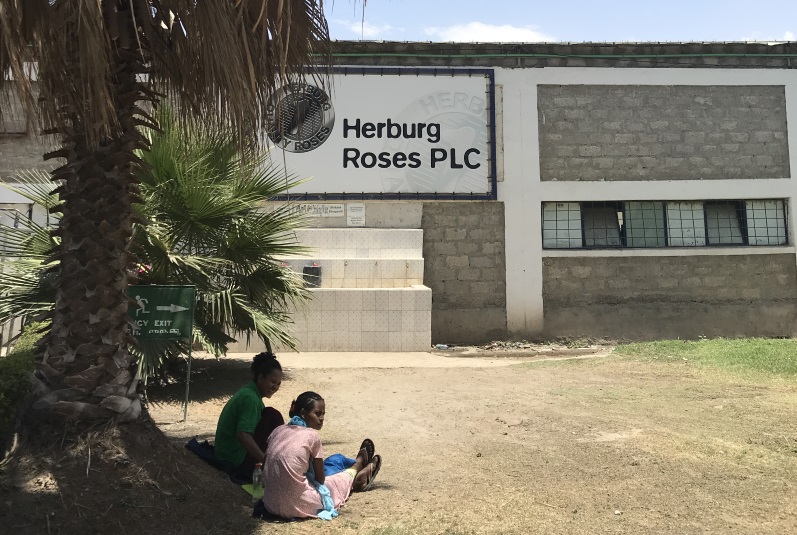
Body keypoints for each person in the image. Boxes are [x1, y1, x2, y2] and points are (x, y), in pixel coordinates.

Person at [261, 391, 382, 520]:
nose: (322, 418)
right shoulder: (312, 436)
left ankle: (357, 467)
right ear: (303, 413)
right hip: (298, 506)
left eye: (323, 414)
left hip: (270, 505)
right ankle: (356, 470)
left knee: (330, 463)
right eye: (318, 413)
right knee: (335, 482)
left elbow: (265, 466)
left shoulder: (278, 430)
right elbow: (320, 479)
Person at [213, 352, 285, 482]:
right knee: (272, 416)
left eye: (278, 384)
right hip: (232, 459)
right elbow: (243, 434)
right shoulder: (250, 399)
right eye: (272, 382)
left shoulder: (249, 392)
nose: (275, 387)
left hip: (227, 455)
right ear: (260, 377)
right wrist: (264, 460)